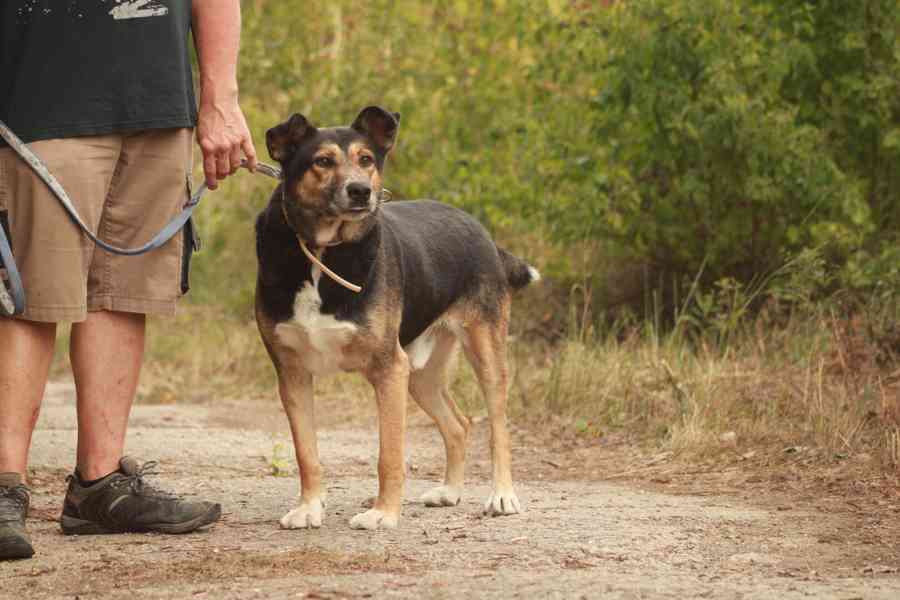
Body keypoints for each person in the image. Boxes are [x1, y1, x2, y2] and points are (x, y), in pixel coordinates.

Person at [0, 0, 257, 560]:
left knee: (123, 291)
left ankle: (100, 485)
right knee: (24, 295)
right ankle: (3, 486)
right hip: (36, 102)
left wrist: (220, 99)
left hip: (157, 103)